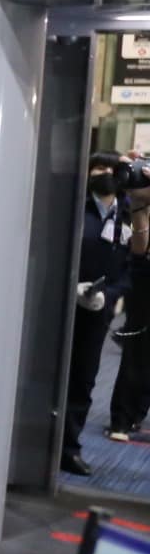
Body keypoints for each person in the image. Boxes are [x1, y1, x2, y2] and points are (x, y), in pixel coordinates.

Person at [66, 151, 133, 477]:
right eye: (98, 167)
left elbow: (131, 268)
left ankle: (69, 448)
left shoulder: (130, 216)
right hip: (61, 306)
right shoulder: (72, 206)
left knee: (84, 379)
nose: (104, 173)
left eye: (111, 168)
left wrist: (109, 296)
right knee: (48, 375)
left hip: (98, 309)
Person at [108, 177, 150, 445]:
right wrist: (139, 205)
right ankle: (121, 418)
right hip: (145, 279)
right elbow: (139, 249)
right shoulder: (141, 205)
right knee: (137, 349)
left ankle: (137, 412)